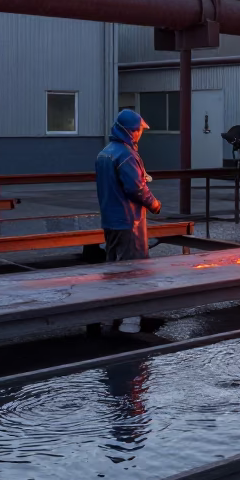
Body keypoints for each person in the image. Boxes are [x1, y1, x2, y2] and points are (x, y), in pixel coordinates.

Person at [96, 110, 162, 333]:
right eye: (139, 130)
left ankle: (107, 318)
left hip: (110, 219)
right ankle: (130, 321)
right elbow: (135, 188)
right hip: (128, 220)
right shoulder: (126, 155)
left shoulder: (105, 153)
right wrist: (154, 204)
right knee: (133, 270)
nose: (140, 133)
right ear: (130, 131)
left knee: (113, 268)